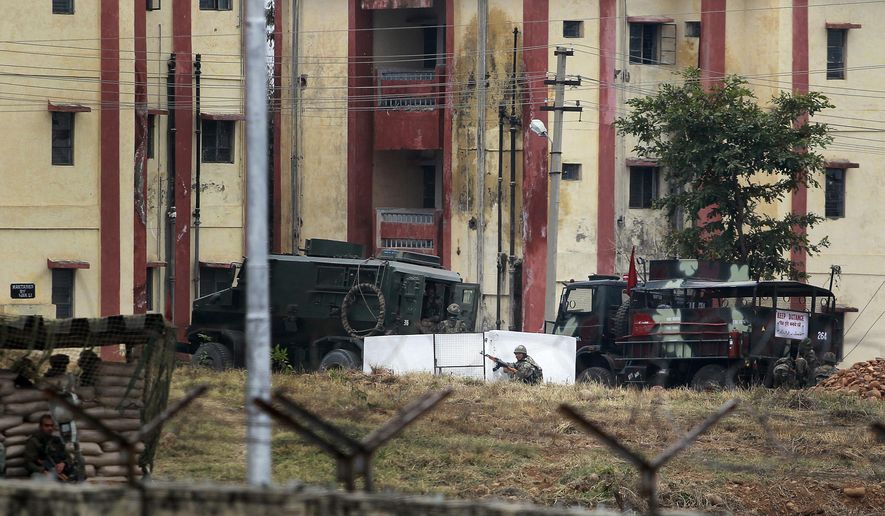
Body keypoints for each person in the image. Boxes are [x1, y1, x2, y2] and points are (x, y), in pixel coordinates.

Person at [24, 414, 77, 481]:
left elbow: (68, 457)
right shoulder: (34, 442)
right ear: (40, 426)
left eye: (51, 426)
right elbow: (28, 463)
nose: (50, 428)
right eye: (46, 426)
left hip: (58, 472)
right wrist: (42, 471)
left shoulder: (57, 441)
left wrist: (63, 463)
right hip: (41, 473)